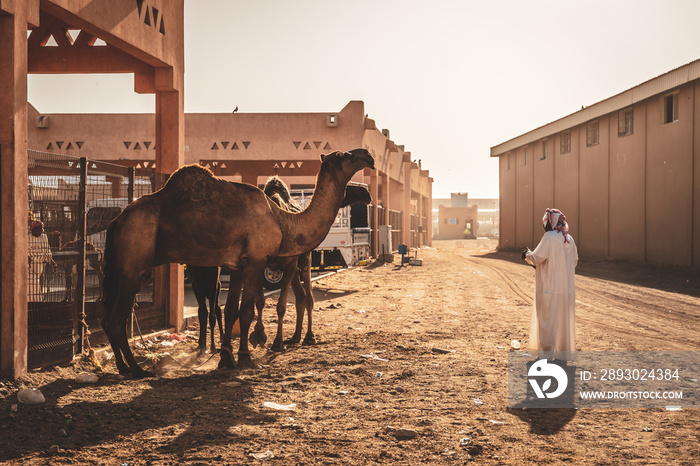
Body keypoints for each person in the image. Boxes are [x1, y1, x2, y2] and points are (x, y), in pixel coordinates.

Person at [522, 208, 578, 361]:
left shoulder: (549, 237)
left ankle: (545, 356)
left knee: (547, 321)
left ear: (550, 223)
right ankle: (563, 355)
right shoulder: (569, 239)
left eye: (545, 222)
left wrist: (527, 255)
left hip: (550, 289)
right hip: (566, 290)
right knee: (563, 323)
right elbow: (574, 261)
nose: (544, 226)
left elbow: (538, 257)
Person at [28, 212, 54, 300]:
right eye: (39, 228)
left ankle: (39, 299)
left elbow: (47, 249)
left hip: (41, 265)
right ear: (34, 229)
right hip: (31, 266)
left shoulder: (44, 237)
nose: (41, 230)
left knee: (39, 282)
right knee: (33, 284)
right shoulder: (28, 238)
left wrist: (50, 260)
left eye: (42, 228)